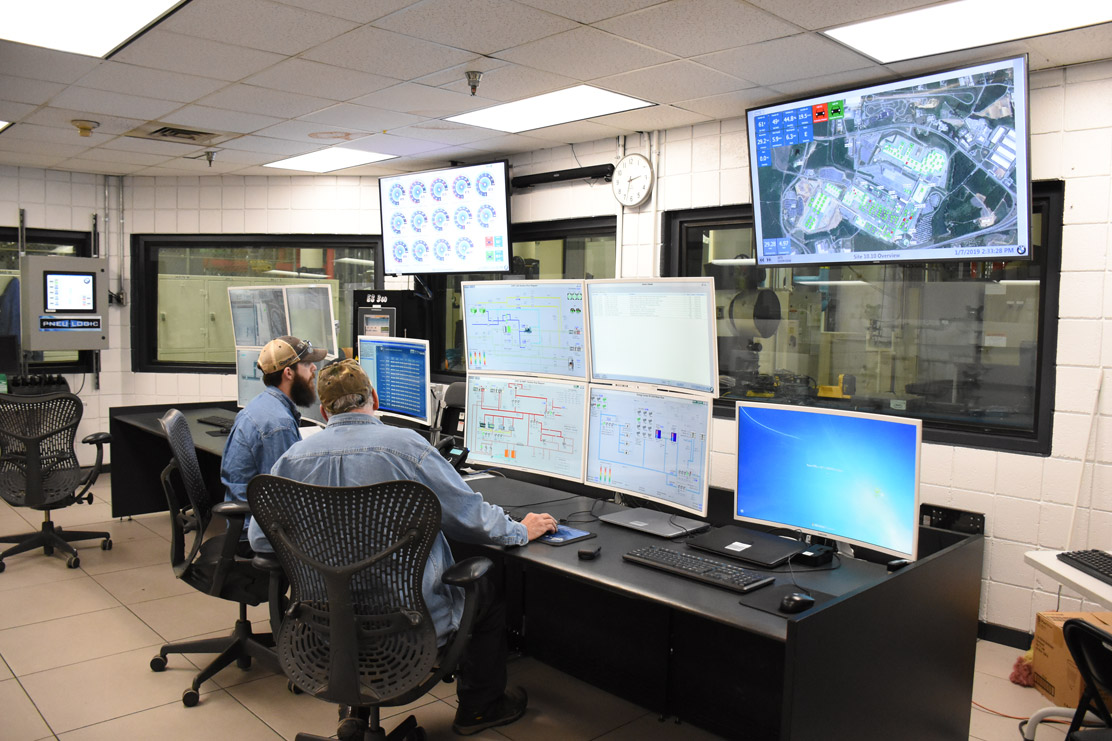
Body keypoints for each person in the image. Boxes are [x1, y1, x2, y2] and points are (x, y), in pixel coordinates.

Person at [248, 359, 558, 736]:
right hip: (407, 626)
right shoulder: (408, 448)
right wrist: (520, 530)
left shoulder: (293, 459)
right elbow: (470, 517)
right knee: (485, 591)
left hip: (322, 626)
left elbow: (260, 539)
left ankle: (356, 711)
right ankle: (481, 708)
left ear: (325, 411)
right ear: (374, 398)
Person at [220, 335, 325, 549]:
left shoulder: (262, 404)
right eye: (306, 364)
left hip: (246, 520)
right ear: (289, 373)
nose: (314, 368)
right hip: (255, 532)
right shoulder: (278, 425)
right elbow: (286, 495)